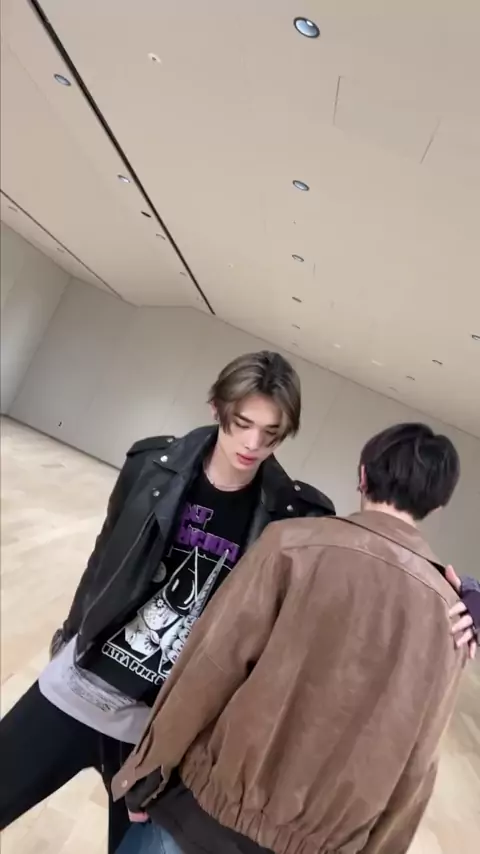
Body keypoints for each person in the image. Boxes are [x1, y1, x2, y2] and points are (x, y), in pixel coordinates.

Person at [0, 351, 336, 854]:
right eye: (243, 424)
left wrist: (448, 596)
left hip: (159, 734)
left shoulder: (293, 517)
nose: (253, 444)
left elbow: (352, 581)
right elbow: (104, 557)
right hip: (80, 686)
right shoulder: (150, 467)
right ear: (216, 407)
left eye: (271, 433)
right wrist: (71, 636)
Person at [112, 423, 479, 854]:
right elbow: (418, 762)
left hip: (204, 815)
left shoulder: (291, 544)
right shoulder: (455, 616)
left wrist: (147, 771)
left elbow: (210, 667)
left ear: (362, 475)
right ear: (437, 505)